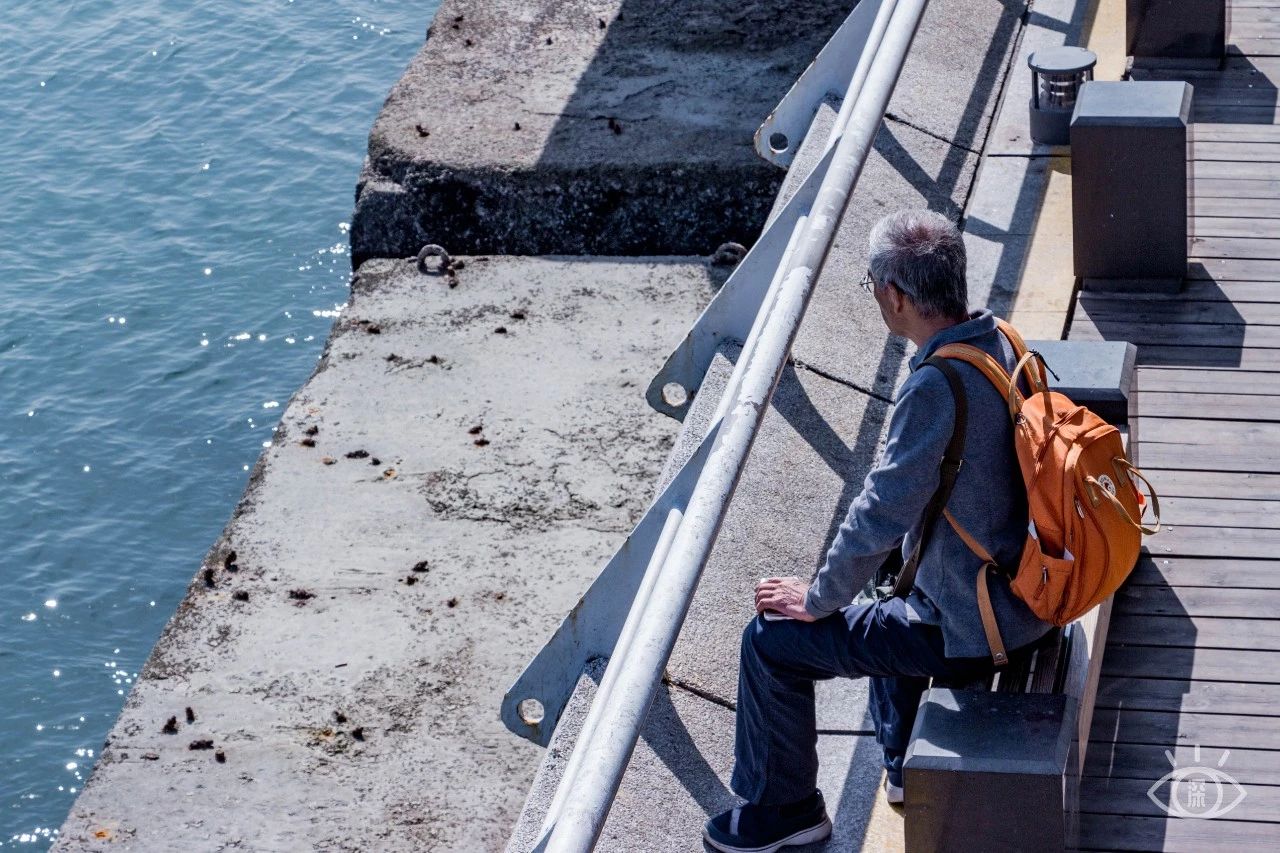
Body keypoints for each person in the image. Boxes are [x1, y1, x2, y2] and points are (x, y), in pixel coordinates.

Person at [703, 210, 1053, 853]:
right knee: (888, 592)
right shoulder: (1001, 339)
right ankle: (900, 766)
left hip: (975, 627)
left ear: (895, 295)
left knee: (771, 640)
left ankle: (785, 812)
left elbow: (879, 512)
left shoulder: (934, 387)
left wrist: (814, 600)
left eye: (872, 287)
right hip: (1023, 593)